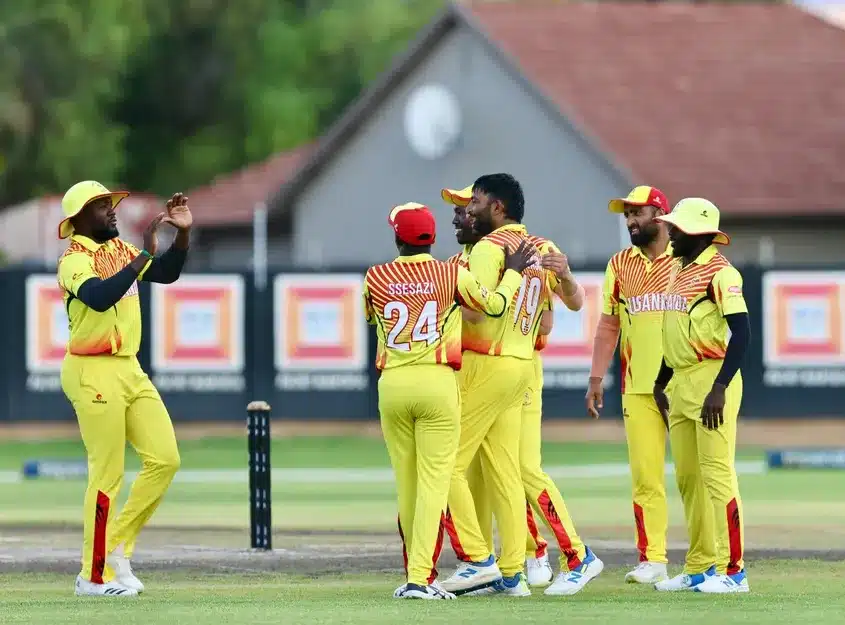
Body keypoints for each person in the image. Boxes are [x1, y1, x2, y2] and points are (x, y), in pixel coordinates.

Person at [438, 174, 603, 598]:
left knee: (446, 465)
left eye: (474, 203)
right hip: (521, 364)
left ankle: (480, 561)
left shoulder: (489, 250)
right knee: (507, 472)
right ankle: (513, 573)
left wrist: (450, 296)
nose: (467, 211)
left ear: (497, 208)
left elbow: (476, 313)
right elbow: (574, 303)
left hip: (487, 363)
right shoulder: (542, 247)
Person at [363, 202, 536, 600]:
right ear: (433, 237)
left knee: (407, 486)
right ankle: (421, 579)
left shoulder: (374, 276)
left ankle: (414, 575)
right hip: (438, 383)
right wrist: (510, 275)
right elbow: (493, 306)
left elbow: (372, 318)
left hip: (392, 384)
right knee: (433, 485)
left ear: (396, 237)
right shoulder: (451, 272)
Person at [56, 180, 192, 597]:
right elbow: (98, 297)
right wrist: (145, 253)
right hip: (90, 370)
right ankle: (92, 576)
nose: (112, 211)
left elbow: (166, 274)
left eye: (111, 204)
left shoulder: (120, 250)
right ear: (78, 219)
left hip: (128, 368)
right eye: (101, 207)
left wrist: (181, 234)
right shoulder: (73, 260)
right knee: (107, 474)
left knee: (165, 460)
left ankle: (113, 549)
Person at [586, 185, 690, 584]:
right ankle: (653, 560)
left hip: (683, 385)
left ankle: (710, 559)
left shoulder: (685, 260)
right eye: (627, 214)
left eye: (638, 213)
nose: (630, 220)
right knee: (646, 478)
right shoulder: (619, 264)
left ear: (660, 216)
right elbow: (609, 323)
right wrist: (597, 377)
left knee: (694, 477)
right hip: (637, 386)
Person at [651, 198, 751, 593]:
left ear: (700, 233)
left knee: (717, 476)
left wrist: (720, 387)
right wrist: (661, 381)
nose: (670, 232)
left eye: (677, 227)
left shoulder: (722, 274)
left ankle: (734, 572)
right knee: (689, 479)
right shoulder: (678, 268)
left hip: (713, 381)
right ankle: (700, 567)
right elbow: (674, 331)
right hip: (680, 380)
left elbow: (741, 333)